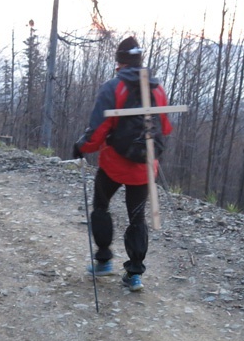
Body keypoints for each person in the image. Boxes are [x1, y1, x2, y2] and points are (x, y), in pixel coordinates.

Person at [73, 36, 172, 292]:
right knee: (137, 218)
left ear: (119, 61)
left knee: (101, 207)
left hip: (114, 165)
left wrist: (81, 148)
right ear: (140, 60)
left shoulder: (113, 87)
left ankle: (104, 260)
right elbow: (166, 127)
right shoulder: (157, 89)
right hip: (145, 168)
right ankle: (134, 275)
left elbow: (98, 130)